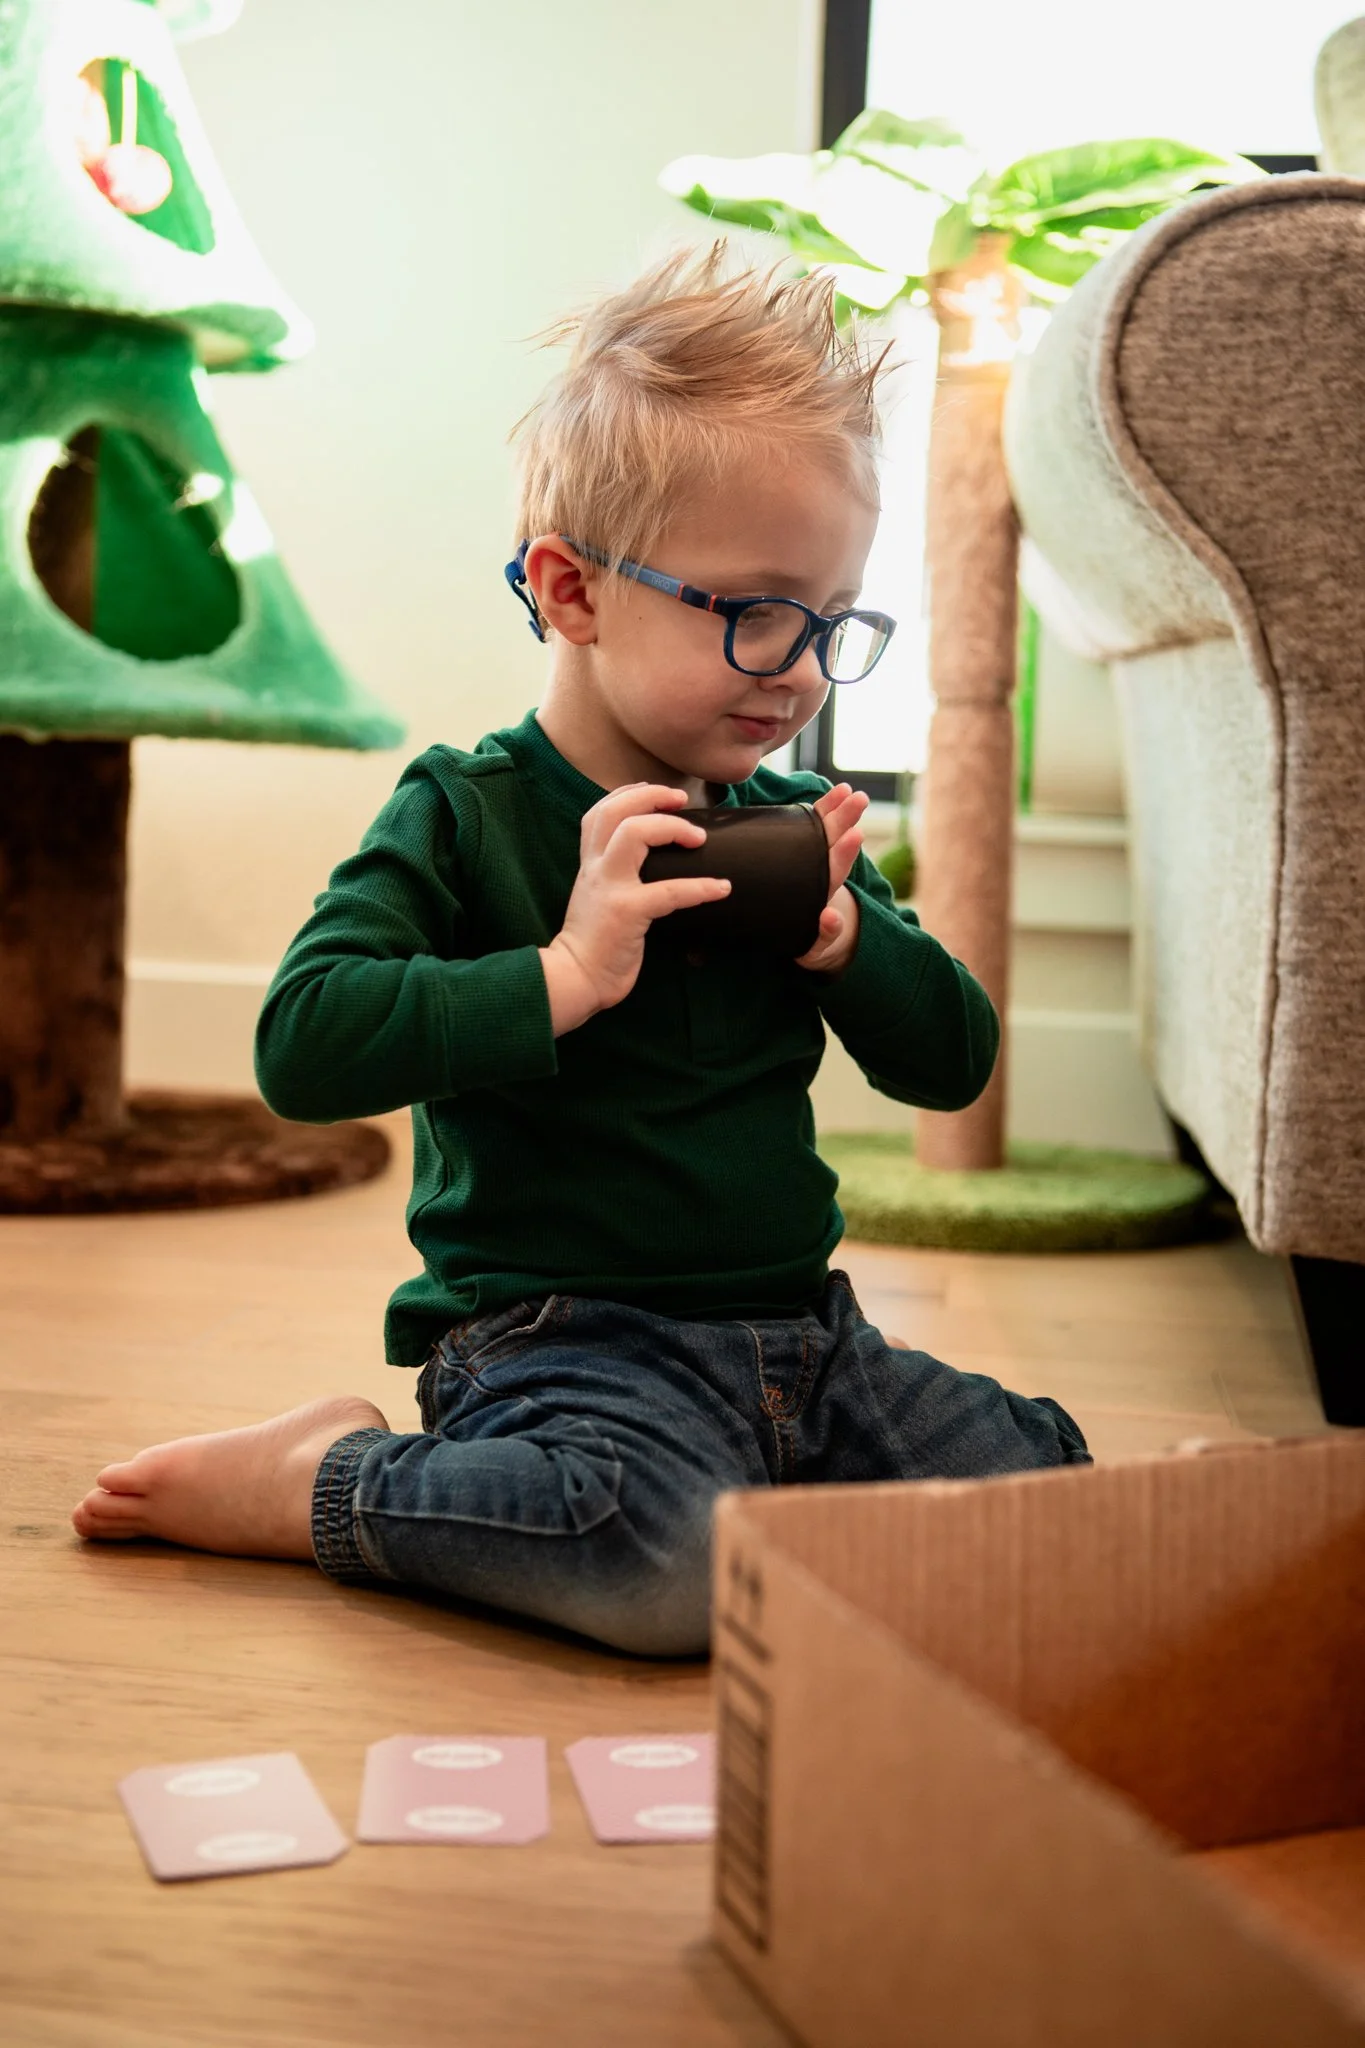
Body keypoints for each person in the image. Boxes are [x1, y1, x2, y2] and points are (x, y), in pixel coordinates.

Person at [72, 247, 1089, 1655]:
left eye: (833, 621)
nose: (798, 668)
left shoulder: (794, 828)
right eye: (753, 612)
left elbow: (952, 1064)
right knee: (653, 1568)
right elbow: (302, 1045)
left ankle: (763, 1507)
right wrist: (563, 972)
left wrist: (853, 942)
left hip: (809, 1339)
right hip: (558, 1346)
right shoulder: (465, 813)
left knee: (1048, 1494)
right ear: (573, 590)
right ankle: (324, 1478)